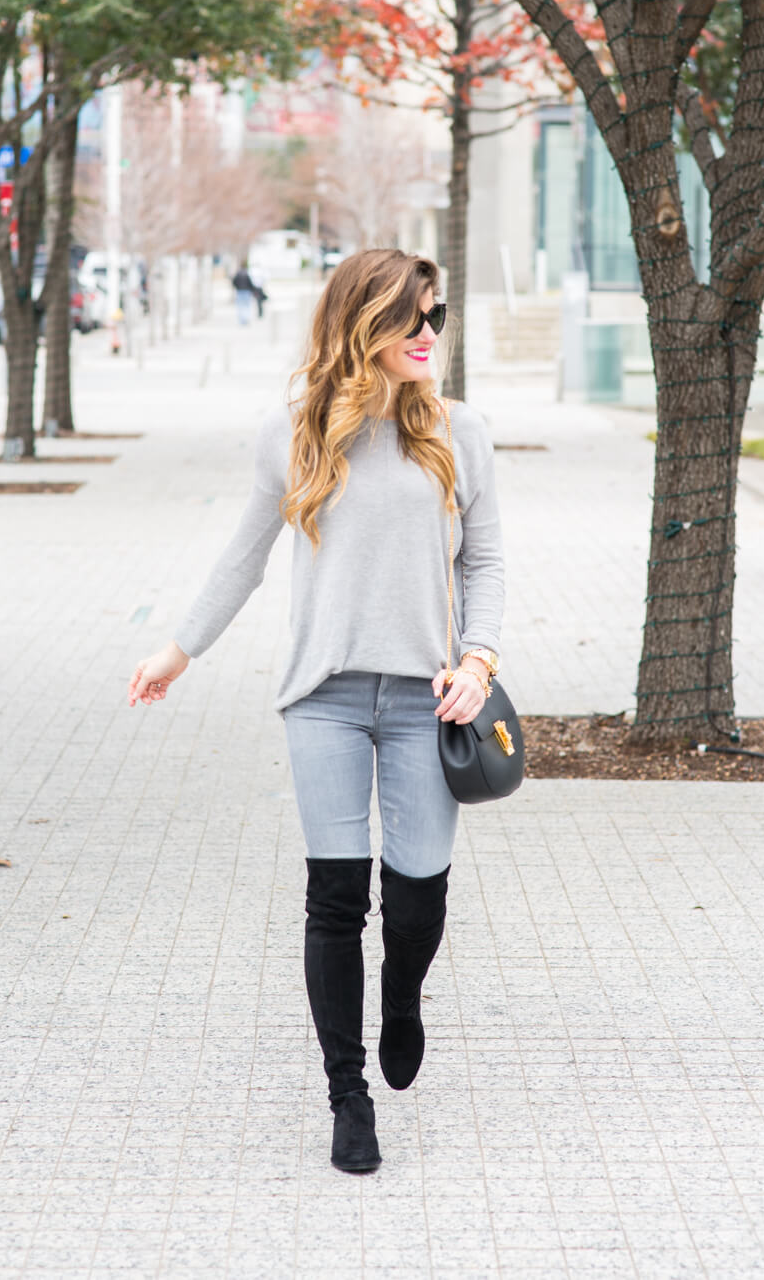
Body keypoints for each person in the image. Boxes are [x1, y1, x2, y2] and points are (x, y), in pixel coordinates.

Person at [128, 249, 504, 1175]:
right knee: (335, 899)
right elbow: (244, 556)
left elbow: (484, 562)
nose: (427, 335)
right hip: (323, 702)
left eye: (436, 317)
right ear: (360, 326)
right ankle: (348, 1097)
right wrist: (178, 648)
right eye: (409, 319)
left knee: (416, 893)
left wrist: (481, 659)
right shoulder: (295, 431)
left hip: (429, 701)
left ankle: (403, 997)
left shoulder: (462, 434)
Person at [231, 261, 255, 325]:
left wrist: (237, 287)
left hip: (240, 291)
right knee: (247, 306)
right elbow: (250, 283)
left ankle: (242, 320)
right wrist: (252, 290)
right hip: (247, 292)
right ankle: (246, 319)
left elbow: (234, 282)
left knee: (240, 306)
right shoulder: (247, 274)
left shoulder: (237, 274)